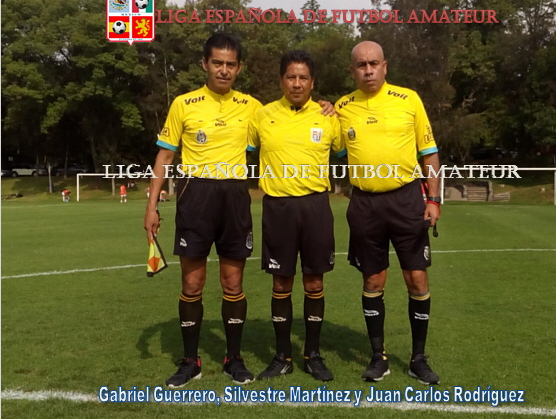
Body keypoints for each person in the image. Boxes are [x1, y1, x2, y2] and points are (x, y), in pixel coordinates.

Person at [144, 33, 262, 387]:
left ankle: (234, 359)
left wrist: (325, 107)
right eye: (217, 63)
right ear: (204, 64)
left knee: (233, 282)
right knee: (192, 283)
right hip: (195, 196)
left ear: (239, 68)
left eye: (230, 64)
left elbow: (287, 122)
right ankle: (190, 361)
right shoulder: (184, 104)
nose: (224, 70)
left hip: (235, 196)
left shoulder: (253, 107)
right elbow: (165, 156)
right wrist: (151, 207)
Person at [335, 41, 441, 385]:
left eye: (373, 63)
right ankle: (378, 357)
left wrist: (434, 199)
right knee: (372, 280)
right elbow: (329, 145)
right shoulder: (342, 107)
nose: (368, 70)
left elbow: (429, 153)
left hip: (407, 200)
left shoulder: (409, 99)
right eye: (361, 65)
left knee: (417, 278)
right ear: (352, 71)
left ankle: (418, 359)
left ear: (385, 66)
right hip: (364, 203)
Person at [248, 50, 345, 382]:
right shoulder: (262, 116)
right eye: (291, 77)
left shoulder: (328, 117)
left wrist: (335, 108)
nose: (297, 83)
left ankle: (313, 355)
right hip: (278, 208)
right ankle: (282, 356)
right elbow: (241, 151)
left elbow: (346, 150)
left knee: (315, 281)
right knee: (281, 282)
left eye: (304, 77)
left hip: (316, 206)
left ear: (312, 82)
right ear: (281, 80)